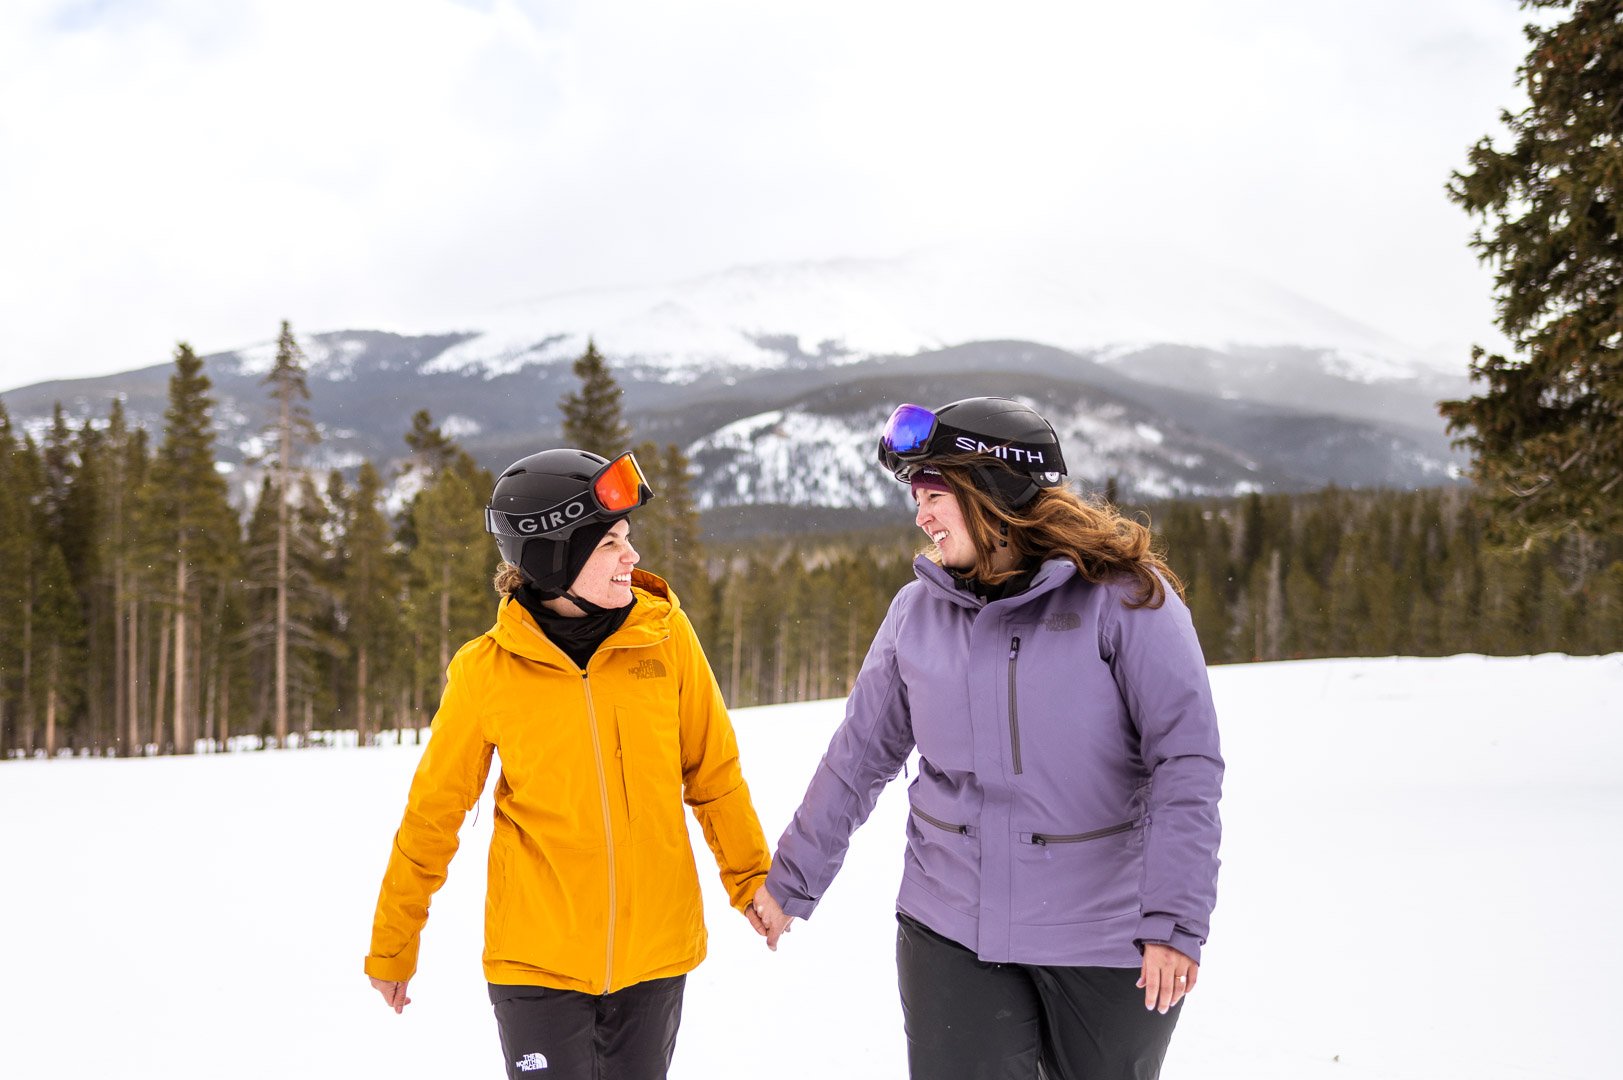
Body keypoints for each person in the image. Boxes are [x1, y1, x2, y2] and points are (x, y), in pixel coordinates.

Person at [751, 398, 1223, 1080]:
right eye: (915, 497)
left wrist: (1174, 921)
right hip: (949, 929)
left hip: (1101, 935)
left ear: (995, 493)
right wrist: (790, 879)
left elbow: (1186, 763)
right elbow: (859, 754)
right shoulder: (918, 611)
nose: (921, 516)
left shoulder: (1125, 600)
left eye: (935, 494)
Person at [364, 447, 772, 1080]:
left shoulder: (666, 638)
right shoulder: (486, 672)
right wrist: (394, 943)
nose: (632, 557)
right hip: (535, 964)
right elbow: (433, 816)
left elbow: (713, 771)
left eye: (627, 539)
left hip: (656, 954)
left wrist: (750, 879)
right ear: (554, 554)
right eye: (610, 543)